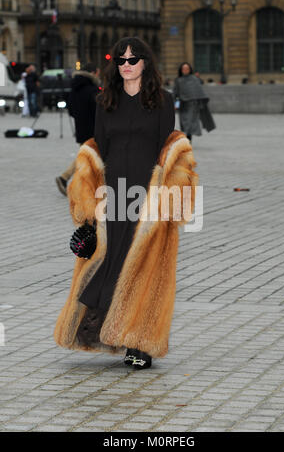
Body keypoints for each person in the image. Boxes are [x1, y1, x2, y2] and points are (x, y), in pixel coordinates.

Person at [53, 37, 199, 370]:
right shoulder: (106, 100)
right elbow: (98, 149)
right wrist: (87, 197)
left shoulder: (164, 101)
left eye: (134, 59)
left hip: (148, 197)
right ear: (114, 66)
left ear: (146, 62)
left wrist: (168, 199)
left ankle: (140, 344)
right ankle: (106, 332)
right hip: (113, 196)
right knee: (110, 264)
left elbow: (168, 150)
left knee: (144, 269)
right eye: (121, 60)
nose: (127, 64)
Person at [55, 62, 101, 196]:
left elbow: (70, 109)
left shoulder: (75, 88)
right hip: (94, 129)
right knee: (91, 157)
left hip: (81, 128)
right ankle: (67, 179)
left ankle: (66, 179)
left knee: (87, 157)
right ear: (93, 73)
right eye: (97, 72)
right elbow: (98, 111)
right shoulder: (92, 90)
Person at [173, 62, 216, 143]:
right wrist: (176, 104)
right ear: (181, 70)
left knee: (190, 123)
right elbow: (175, 94)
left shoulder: (194, 79)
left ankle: (189, 139)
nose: (185, 70)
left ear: (190, 69)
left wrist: (200, 103)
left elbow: (199, 91)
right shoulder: (178, 80)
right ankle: (186, 138)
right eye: (183, 69)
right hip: (183, 105)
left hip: (193, 105)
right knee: (184, 123)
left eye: (187, 69)